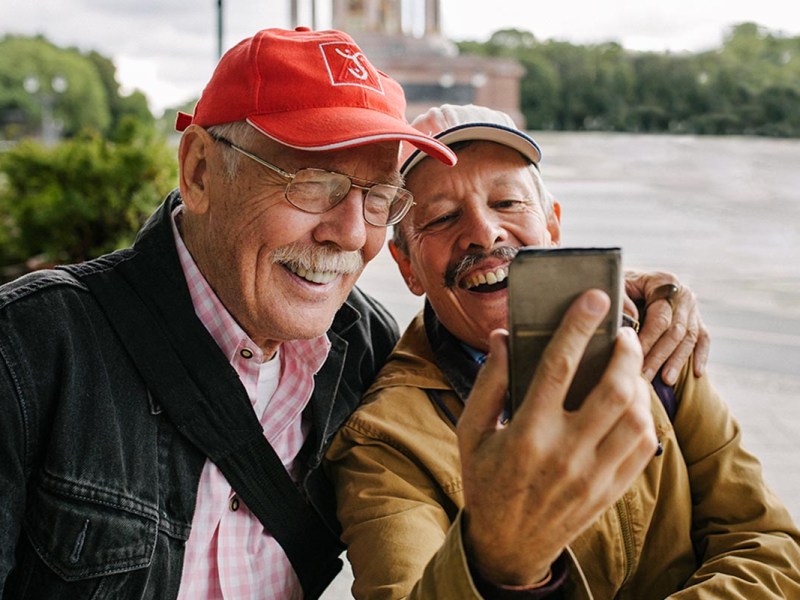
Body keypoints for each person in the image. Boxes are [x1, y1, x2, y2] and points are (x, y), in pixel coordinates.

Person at [0, 27, 706, 597]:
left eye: (379, 198)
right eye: (313, 181)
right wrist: (502, 561)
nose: (349, 232)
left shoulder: (363, 353)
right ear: (200, 172)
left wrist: (630, 296)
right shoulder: (28, 353)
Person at [325, 104, 800, 599]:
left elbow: (768, 544)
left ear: (552, 227)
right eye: (443, 218)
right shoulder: (384, 442)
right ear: (407, 266)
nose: (484, 233)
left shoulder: (651, 341)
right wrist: (501, 557)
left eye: (507, 203)